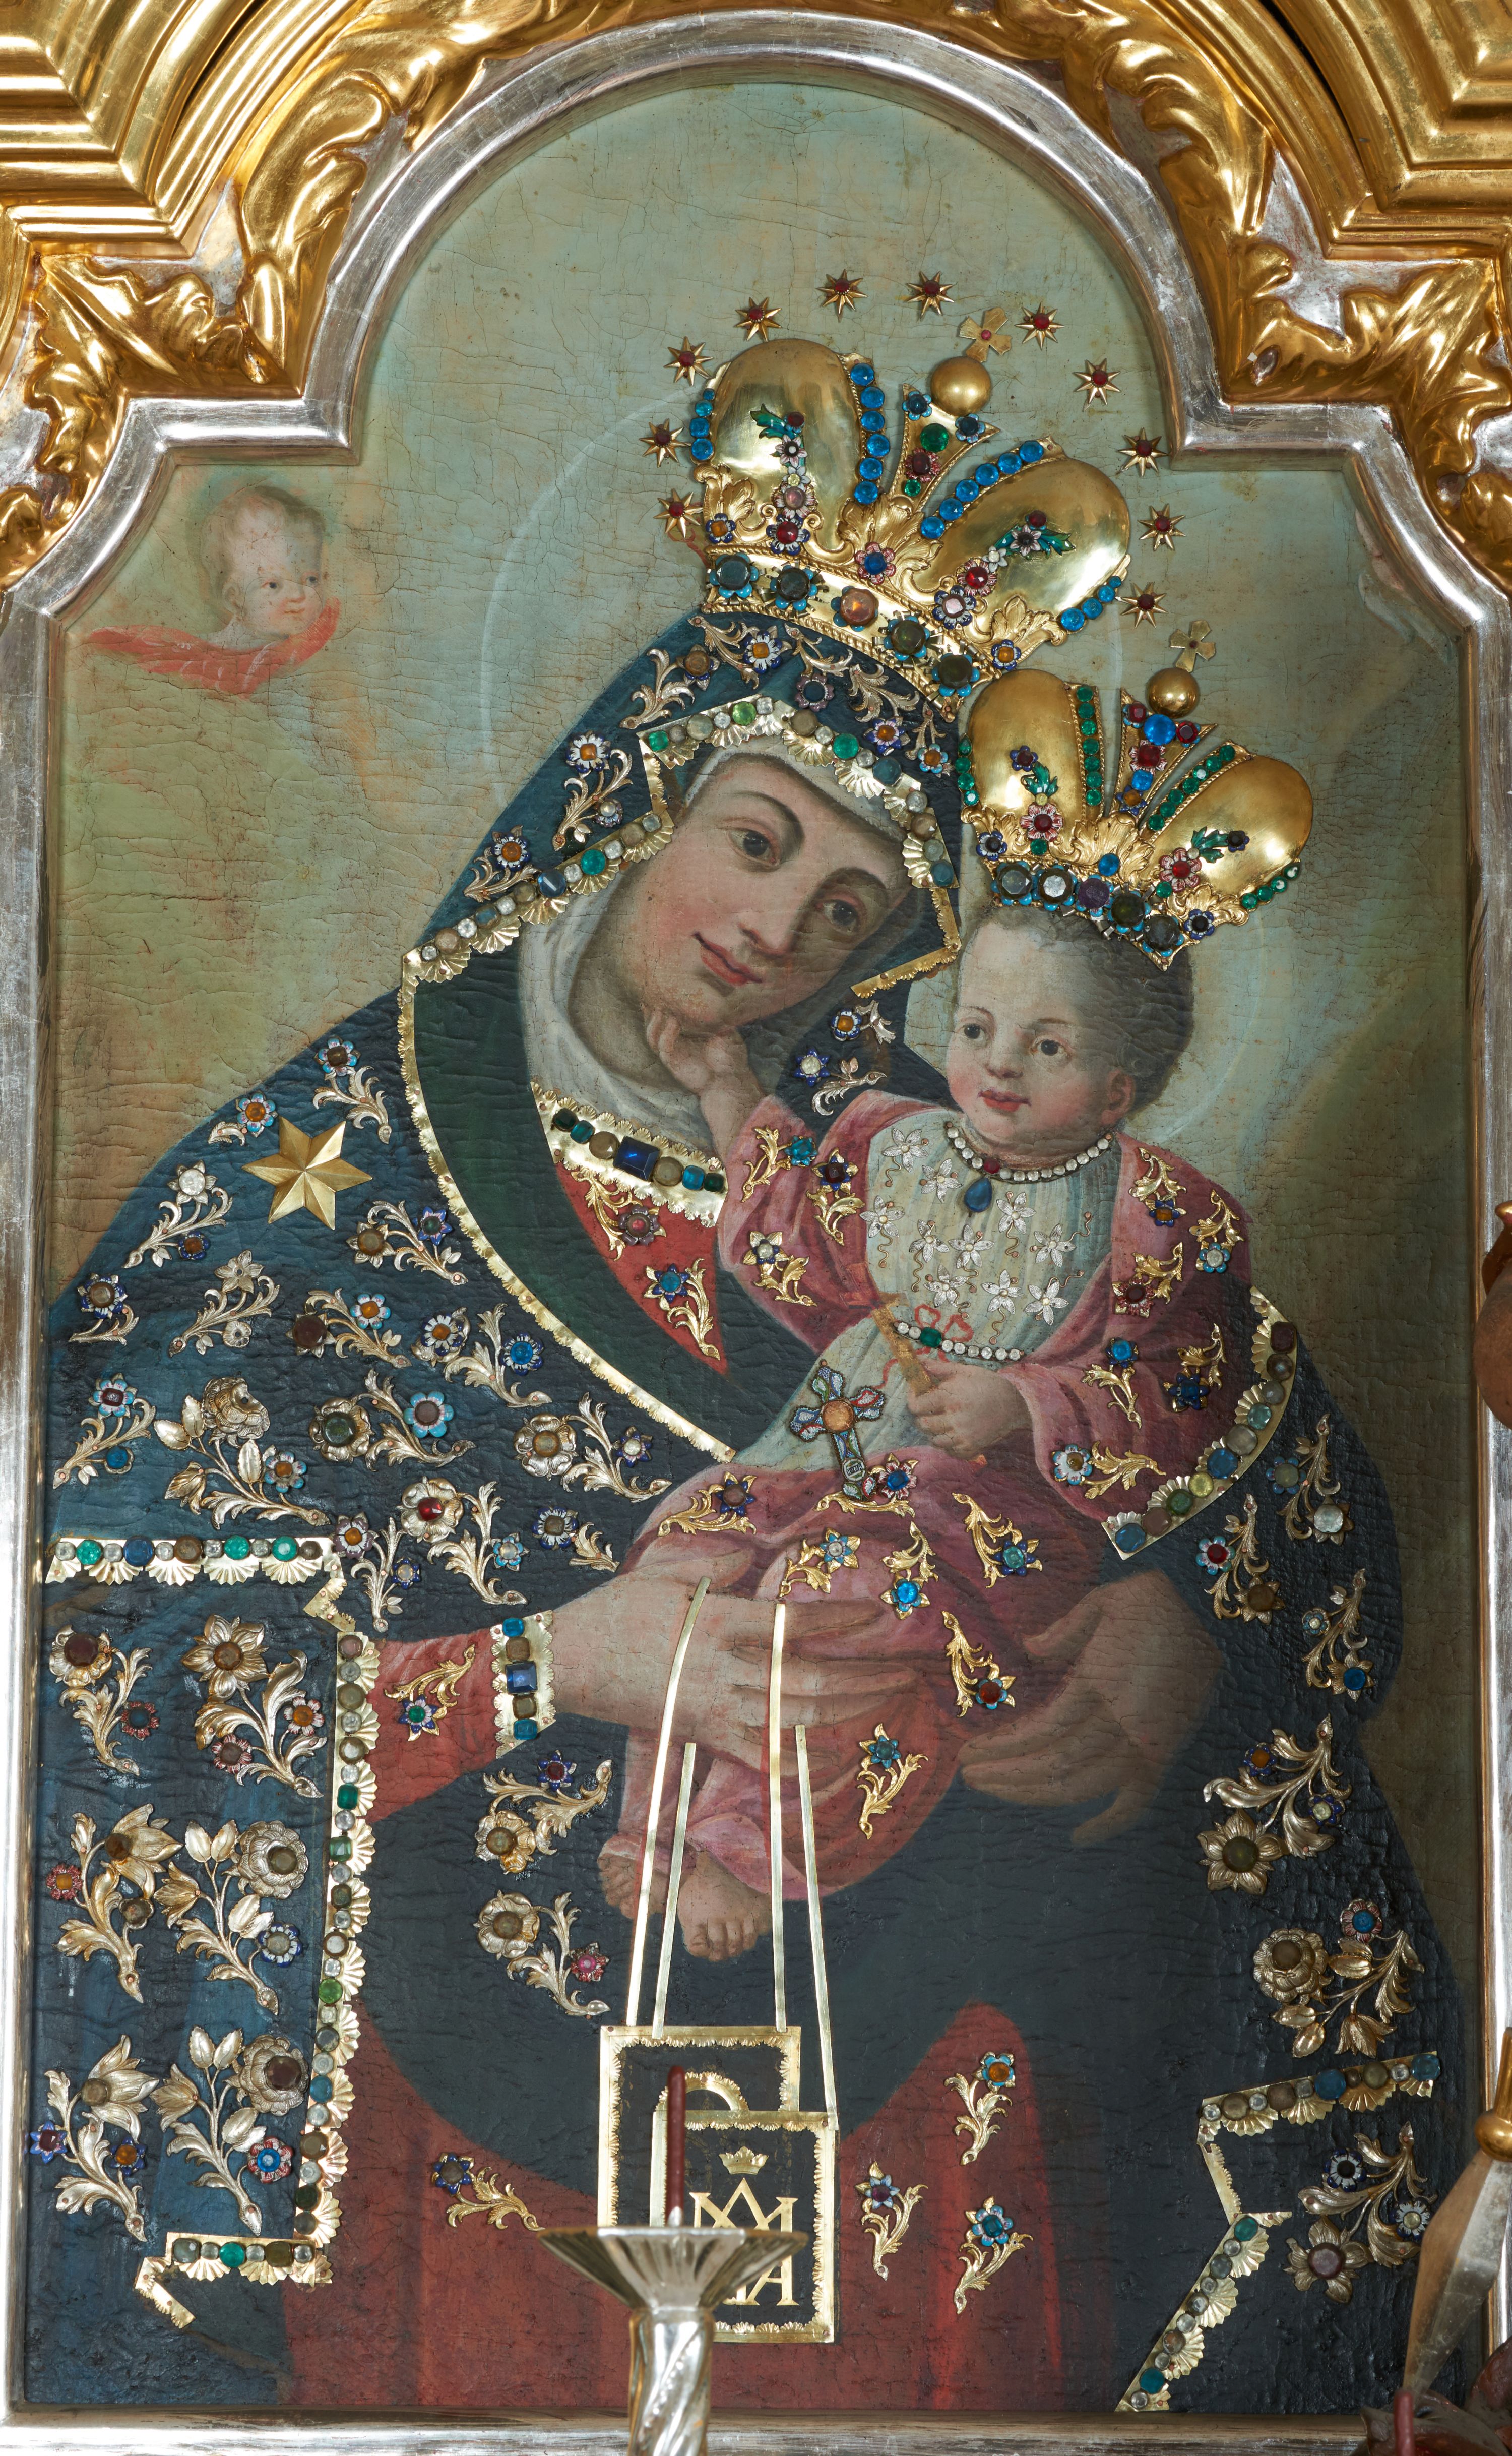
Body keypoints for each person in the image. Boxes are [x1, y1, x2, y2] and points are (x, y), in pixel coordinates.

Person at [596, 896, 1255, 1959]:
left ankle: (749, 1844)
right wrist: (726, 1091)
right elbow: (794, 1244)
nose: (1001, 1064)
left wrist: (1025, 1402)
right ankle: (657, 1827)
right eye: (977, 1027)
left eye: (1048, 1045)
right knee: (687, 1550)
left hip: (980, 1512)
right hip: (822, 1449)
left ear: (1119, 1089)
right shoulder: (891, 1143)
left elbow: (1186, 1391)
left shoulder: (1161, 1214)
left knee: (827, 1587)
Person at [86, 482, 338, 696]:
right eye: (273, 585)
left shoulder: (315, 649)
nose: (299, 596)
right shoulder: (202, 663)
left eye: (311, 579)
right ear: (235, 598)